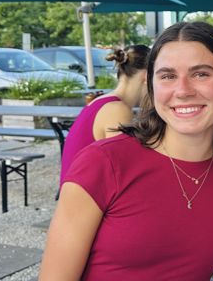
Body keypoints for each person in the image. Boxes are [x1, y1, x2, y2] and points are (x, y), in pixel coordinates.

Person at [36, 22, 213, 281]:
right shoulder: (105, 163)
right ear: (151, 86)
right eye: (167, 76)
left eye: (201, 74)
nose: (183, 90)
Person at [59, 44, 150, 186]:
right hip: (87, 196)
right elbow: (126, 170)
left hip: (76, 191)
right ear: (146, 77)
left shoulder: (102, 102)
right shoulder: (116, 110)